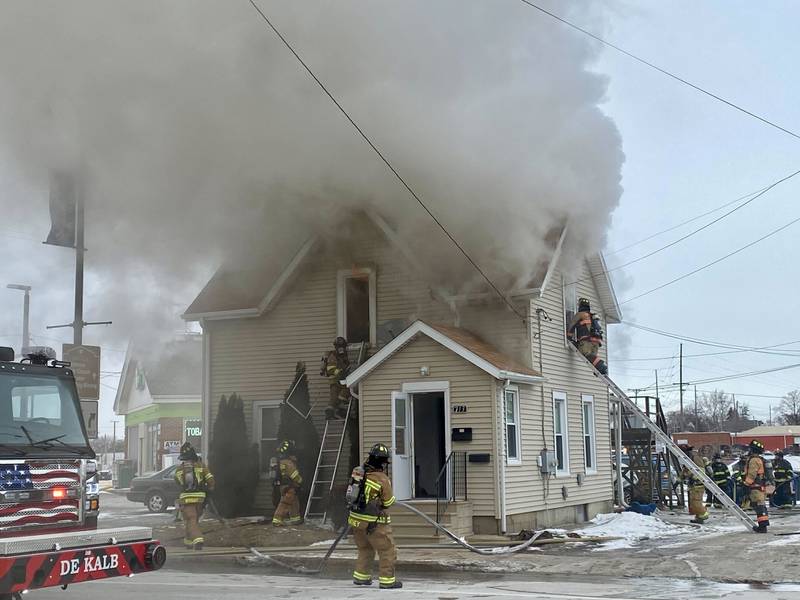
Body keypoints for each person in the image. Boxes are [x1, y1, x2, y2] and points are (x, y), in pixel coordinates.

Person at [348, 443, 401, 590]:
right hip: (373, 523)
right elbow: (388, 502)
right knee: (387, 550)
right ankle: (387, 581)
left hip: (356, 520)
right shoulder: (382, 479)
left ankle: (361, 577)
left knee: (365, 548)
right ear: (382, 462)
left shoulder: (358, 473)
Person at [174, 442, 215, 550]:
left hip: (186, 499)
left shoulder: (179, 470)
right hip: (200, 498)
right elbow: (211, 481)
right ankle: (188, 541)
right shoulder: (202, 466)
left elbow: (178, 482)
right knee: (193, 519)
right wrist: (209, 490)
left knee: (191, 519)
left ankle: (198, 539)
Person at [567, 297, 608, 374]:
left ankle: (601, 366)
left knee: (586, 354)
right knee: (592, 359)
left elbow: (572, 325)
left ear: (580, 305)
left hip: (587, 341)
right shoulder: (593, 316)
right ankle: (599, 370)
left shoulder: (580, 314)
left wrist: (569, 337)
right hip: (596, 342)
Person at [272, 440, 304, 526]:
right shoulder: (288, 462)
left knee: (294, 502)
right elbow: (294, 474)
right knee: (285, 503)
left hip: (286, 486)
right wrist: (300, 481)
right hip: (289, 486)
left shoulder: (282, 461)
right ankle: (277, 520)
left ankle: (295, 519)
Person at [743, 440, 770, 533]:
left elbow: (752, 474)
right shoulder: (759, 459)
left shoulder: (754, 460)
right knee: (761, 505)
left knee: (759, 506)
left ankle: (762, 527)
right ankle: (763, 525)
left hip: (755, 487)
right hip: (760, 486)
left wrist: (746, 484)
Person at [321, 336, 351, 419]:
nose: (341, 349)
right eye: (339, 347)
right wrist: (339, 372)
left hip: (341, 379)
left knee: (334, 398)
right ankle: (338, 409)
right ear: (336, 347)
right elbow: (330, 369)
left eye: (343, 347)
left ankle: (332, 412)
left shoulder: (344, 356)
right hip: (335, 379)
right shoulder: (332, 356)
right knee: (343, 391)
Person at [679, 444, 709, 524]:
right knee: (693, 502)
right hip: (692, 484)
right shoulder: (688, 458)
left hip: (698, 483)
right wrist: (679, 480)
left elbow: (700, 470)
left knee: (696, 501)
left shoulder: (695, 457)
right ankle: (699, 517)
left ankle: (704, 514)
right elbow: (686, 470)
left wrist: (694, 478)